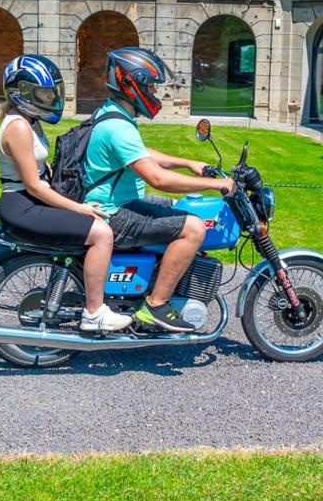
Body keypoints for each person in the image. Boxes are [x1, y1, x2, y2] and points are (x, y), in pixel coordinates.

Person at [82, 46, 236, 333]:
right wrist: (216, 184)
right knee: (194, 228)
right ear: (131, 84)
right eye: (150, 86)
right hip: (114, 213)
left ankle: (158, 279)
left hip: (118, 203)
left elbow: (140, 153)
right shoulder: (118, 126)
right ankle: (156, 305)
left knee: (177, 207)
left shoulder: (114, 114)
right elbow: (158, 178)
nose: (154, 92)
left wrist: (188, 163)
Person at [0, 55, 132, 334]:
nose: (52, 98)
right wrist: (79, 208)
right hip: (23, 204)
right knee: (102, 233)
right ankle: (94, 313)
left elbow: (36, 167)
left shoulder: (28, 120)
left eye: (53, 92)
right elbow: (33, 186)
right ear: (22, 93)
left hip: (29, 200)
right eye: (44, 93)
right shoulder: (18, 126)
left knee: (94, 220)